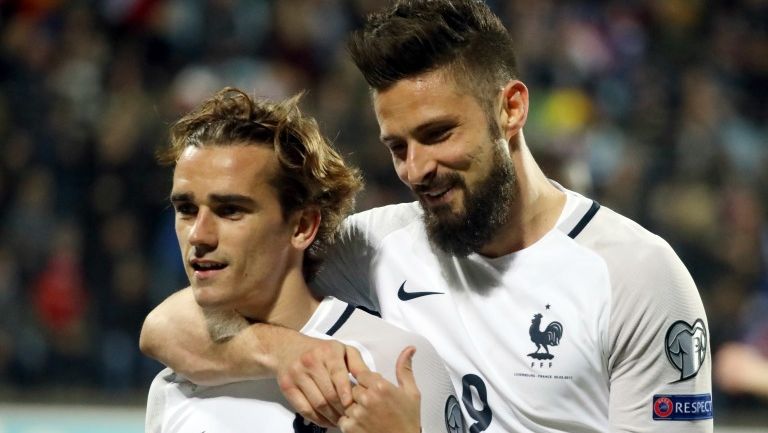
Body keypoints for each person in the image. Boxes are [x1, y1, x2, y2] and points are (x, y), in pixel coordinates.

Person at [141, 1, 713, 431]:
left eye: (438, 134)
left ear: (510, 108)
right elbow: (171, 326)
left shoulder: (637, 278)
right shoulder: (373, 248)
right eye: (398, 146)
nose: (417, 169)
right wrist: (286, 350)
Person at [144, 87, 462, 433]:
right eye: (186, 210)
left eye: (231, 210)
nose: (199, 235)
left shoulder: (396, 362)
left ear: (302, 226)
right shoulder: (175, 383)